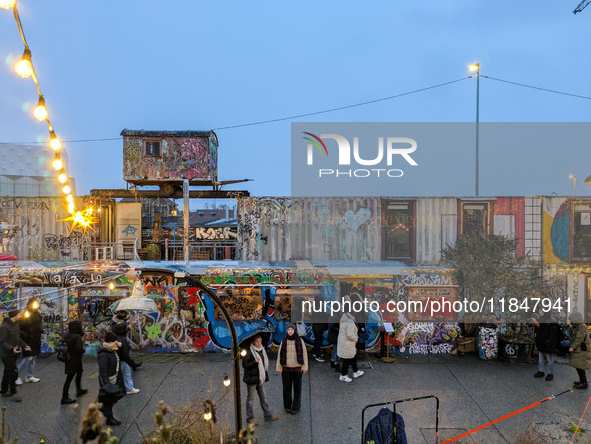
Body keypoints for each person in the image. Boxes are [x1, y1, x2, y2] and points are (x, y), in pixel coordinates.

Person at [242, 334, 278, 425]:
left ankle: (267, 415)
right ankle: (250, 418)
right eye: (257, 342)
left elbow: (264, 365)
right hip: (251, 379)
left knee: (263, 397)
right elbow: (245, 365)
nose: (259, 343)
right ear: (253, 342)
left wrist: (265, 375)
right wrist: (255, 362)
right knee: (250, 399)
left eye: (260, 342)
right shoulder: (248, 351)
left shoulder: (262, 350)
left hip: (260, 378)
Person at [276, 324, 308, 415]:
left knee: (297, 389)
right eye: (289, 329)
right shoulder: (284, 341)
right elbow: (280, 355)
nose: (290, 331)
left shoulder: (299, 341)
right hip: (286, 369)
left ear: (294, 330)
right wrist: (279, 368)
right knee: (286, 389)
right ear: (287, 331)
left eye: (291, 329)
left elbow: (304, 355)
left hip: (297, 369)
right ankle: (287, 406)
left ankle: (296, 407)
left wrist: (304, 367)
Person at [0, 310, 30, 401]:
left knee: (8, 370)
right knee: (13, 371)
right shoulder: (4, 327)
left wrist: (24, 345)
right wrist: (11, 348)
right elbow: (2, 341)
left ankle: (4, 390)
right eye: (19, 315)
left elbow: (18, 338)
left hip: (14, 352)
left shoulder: (16, 324)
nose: (21, 316)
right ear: (14, 316)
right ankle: (13, 392)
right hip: (6, 353)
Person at [98, 332, 125, 425]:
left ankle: (102, 406)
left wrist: (119, 346)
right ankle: (110, 418)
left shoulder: (113, 349)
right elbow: (103, 369)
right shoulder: (104, 354)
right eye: (115, 340)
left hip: (115, 377)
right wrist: (106, 384)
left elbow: (122, 355)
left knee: (115, 396)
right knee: (109, 399)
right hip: (109, 379)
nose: (117, 342)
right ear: (112, 342)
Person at [16, 299, 43, 384]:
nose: (35, 306)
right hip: (27, 339)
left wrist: (40, 330)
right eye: (33, 304)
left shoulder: (38, 314)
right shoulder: (25, 314)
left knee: (33, 358)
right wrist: (24, 334)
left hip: (35, 339)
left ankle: (29, 376)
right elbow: (21, 326)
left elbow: (38, 324)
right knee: (28, 358)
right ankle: (16, 375)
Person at [61, 320, 88, 404]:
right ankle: (65, 397)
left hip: (68, 359)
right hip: (75, 359)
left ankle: (79, 389)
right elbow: (79, 349)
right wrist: (83, 350)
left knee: (78, 372)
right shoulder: (77, 337)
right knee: (70, 378)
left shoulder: (67, 336)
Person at [112, 322, 141, 394]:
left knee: (121, 374)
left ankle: (126, 388)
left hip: (118, 359)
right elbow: (124, 354)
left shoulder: (116, 336)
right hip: (122, 360)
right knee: (125, 374)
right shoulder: (122, 340)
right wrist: (131, 363)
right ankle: (128, 389)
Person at [532, 311, 561, 381]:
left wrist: (548, 341)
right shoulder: (543, 319)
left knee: (549, 358)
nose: (540, 312)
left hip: (548, 342)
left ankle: (550, 373)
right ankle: (541, 371)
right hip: (543, 341)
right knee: (542, 357)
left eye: (541, 311)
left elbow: (553, 333)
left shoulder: (552, 320)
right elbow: (540, 330)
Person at [338, 309, 364, 383]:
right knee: (347, 359)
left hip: (344, 342)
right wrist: (356, 339)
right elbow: (350, 335)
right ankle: (343, 375)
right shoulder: (350, 322)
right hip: (348, 343)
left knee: (352, 356)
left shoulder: (344, 319)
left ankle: (356, 371)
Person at [568, 311, 591, 389]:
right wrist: (571, 327)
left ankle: (584, 383)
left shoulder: (582, 326)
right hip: (579, 349)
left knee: (580, 366)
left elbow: (579, 338)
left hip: (582, 350)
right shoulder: (577, 326)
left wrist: (573, 347)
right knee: (579, 366)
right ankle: (582, 382)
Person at [311, 294, 329, 362]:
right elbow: (323, 315)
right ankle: (317, 355)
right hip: (318, 327)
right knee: (318, 341)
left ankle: (315, 352)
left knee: (317, 340)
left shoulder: (316, 306)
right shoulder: (317, 307)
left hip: (317, 327)